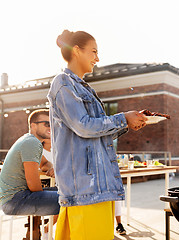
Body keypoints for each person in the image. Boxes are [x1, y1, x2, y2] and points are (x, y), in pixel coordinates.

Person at [48, 30, 148, 240]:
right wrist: (122, 118)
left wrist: (127, 124)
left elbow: (94, 134)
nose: (97, 58)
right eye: (93, 51)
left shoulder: (84, 88)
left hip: (98, 188)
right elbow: (83, 126)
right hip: (85, 190)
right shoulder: (63, 83)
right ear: (77, 51)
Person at [0, 109, 60, 238]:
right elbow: (33, 185)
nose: (51, 127)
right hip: (16, 200)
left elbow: (44, 164)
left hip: (15, 198)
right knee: (71, 200)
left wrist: (53, 168)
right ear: (33, 125)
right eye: (46, 124)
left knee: (68, 193)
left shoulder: (30, 141)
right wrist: (46, 201)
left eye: (52, 123)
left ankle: (46, 231)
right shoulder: (31, 143)